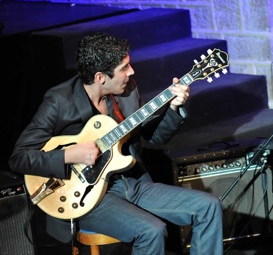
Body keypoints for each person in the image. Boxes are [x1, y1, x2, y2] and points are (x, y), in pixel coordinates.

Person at [9, 33, 224, 255]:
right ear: (101, 77)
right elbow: (19, 158)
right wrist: (70, 155)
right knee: (152, 231)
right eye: (124, 68)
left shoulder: (127, 90)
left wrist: (173, 107)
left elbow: (154, 137)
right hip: (86, 197)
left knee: (208, 206)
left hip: (129, 183)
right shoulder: (59, 101)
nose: (131, 72)